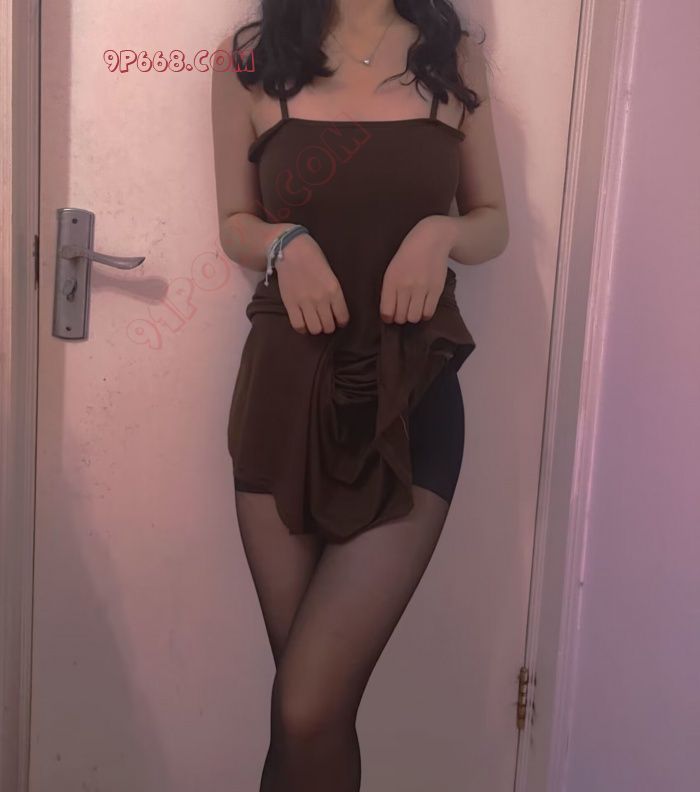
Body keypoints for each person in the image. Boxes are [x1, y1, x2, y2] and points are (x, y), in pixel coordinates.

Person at [211, 1, 508, 789]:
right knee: (305, 711)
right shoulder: (249, 57)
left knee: (308, 706)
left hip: (412, 394)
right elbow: (234, 220)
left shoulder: (454, 57)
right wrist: (282, 240)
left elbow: (493, 221)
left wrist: (442, 233)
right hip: (284, 395)